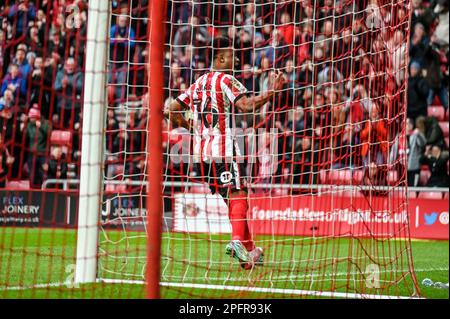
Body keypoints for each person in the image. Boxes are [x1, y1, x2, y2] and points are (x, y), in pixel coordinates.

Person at [166, 37, 284, 269]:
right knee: (239, 194)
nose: (237, 59)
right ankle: (238, 241)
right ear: (220, 58)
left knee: (232, 200)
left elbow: (171, 110)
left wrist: (194, 128)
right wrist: (272, 92)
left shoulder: (199, 82)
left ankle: (251, 251)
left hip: (202, 155)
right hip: (225, 149)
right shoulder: (226, 79)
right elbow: (246, 105)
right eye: (232, 55)